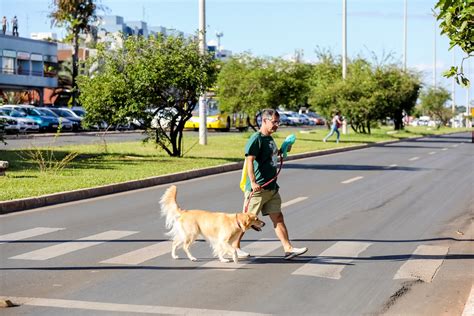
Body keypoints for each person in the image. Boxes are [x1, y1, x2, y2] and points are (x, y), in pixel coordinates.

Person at [232, 109, 308, 260]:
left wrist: (284, 149)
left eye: (278, 122)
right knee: (246, 221)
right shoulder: (256, 139)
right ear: (265, 121)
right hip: (258, 188)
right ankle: (234, 247)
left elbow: (271, 156)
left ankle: (288, 249)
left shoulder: (269, 139)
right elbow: (249, 161)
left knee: (278, 217)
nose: (277, 125)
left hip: (271, 187)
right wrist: (253, 182)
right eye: (274, 122)